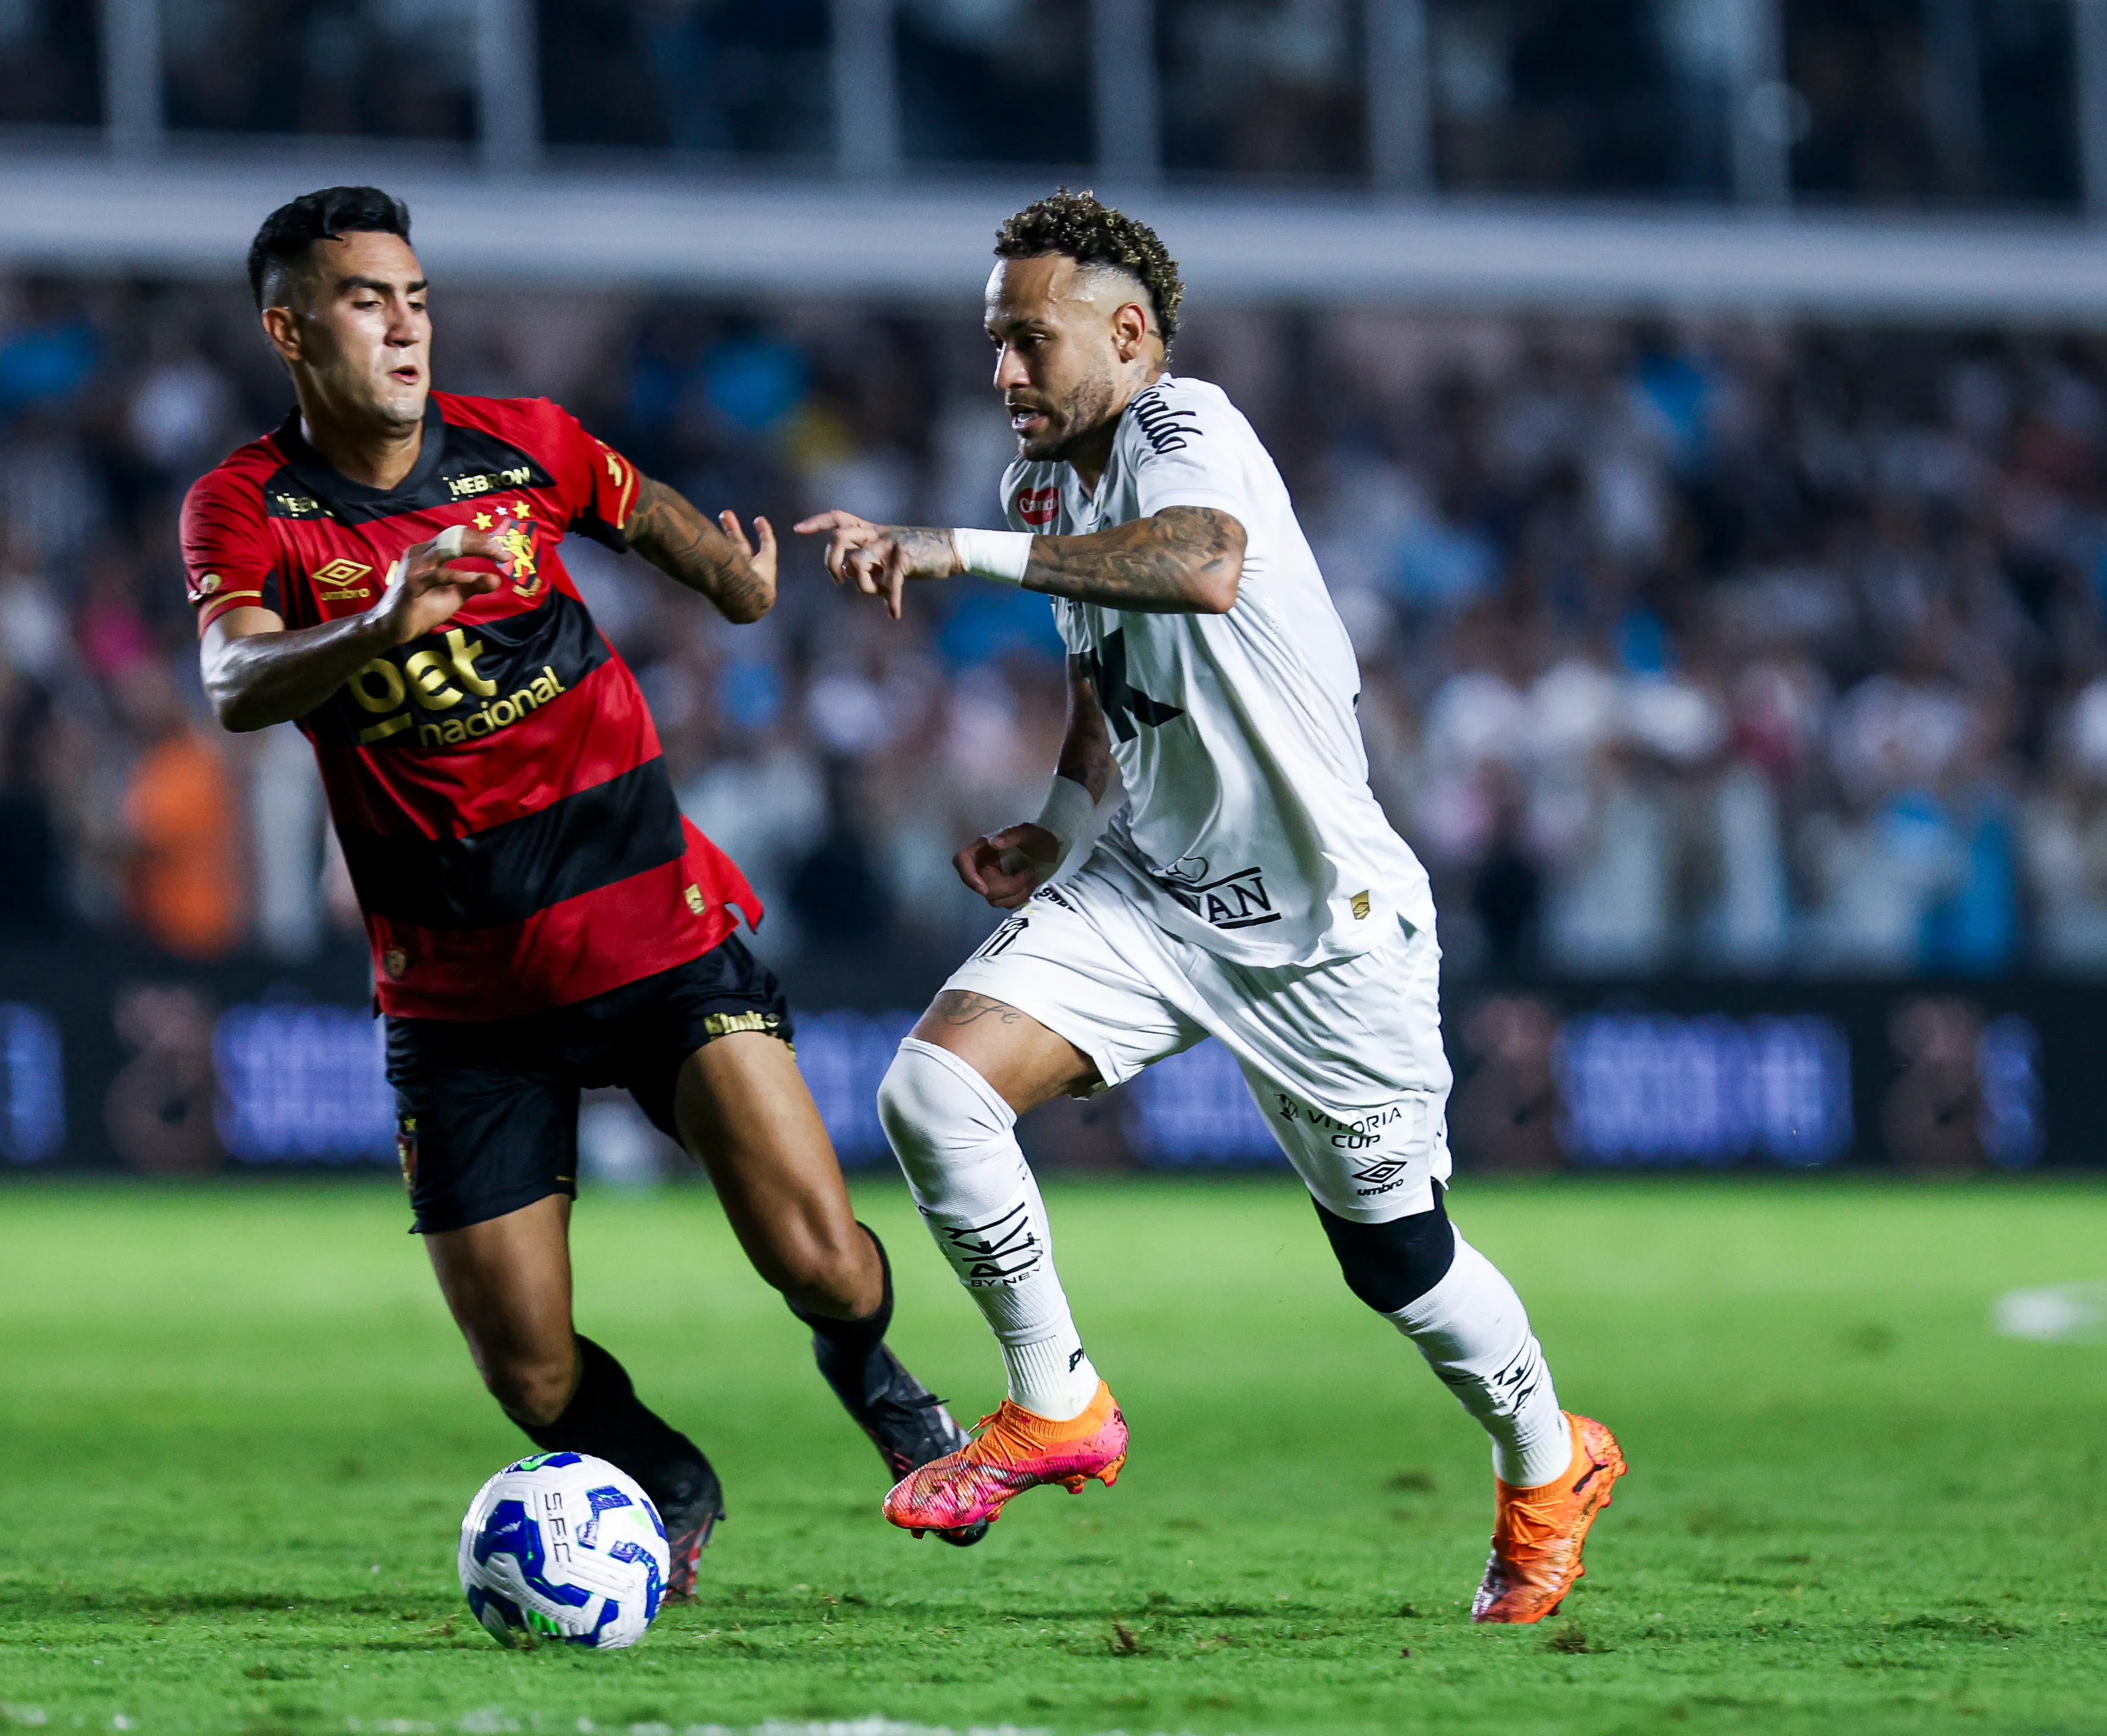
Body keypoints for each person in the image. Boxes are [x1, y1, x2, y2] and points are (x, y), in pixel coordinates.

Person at [796, 190, 1625, 1625]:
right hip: (1154, 889)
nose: (1003, 374)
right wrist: (1057, 829)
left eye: (1031, 341)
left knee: (1400, 1261)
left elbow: (1200, 566)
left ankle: (1550, 1463)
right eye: (993, 342)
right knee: (933, 1092)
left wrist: (942, 548)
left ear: (1129, 336)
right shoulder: (1041, 487)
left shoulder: (1191, 428)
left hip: (1325, 930)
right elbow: (1111, 676)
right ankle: (1057, 1399)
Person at [183, 186, 978, 1600]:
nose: (406, 322)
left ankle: (868, 1366)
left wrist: (732, 580)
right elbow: (237, 679)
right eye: (368, 299)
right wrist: (379, 621)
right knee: (531, 1372)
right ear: (288, 328)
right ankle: (668, 1473)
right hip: (460, 996)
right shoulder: (248, 506)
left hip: (652, 927)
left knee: (825, 1261)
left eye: (416, 295)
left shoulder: (523, 444)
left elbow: (657, 516)